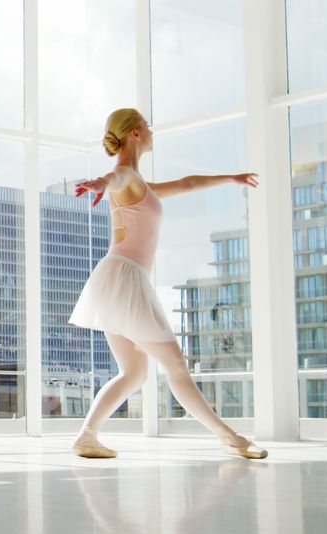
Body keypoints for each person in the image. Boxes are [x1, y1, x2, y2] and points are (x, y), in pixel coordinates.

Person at [69, 108, 267, 460]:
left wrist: (231, 177)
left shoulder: (141, 184)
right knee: (174, 364)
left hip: (118, 279)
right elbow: (112, 178)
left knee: (134, 372)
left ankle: (87, 436)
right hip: (125, 278)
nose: (151, 131)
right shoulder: (125, 174)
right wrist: (98, 184)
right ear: (134, 134)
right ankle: (230, 436)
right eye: (147, 126)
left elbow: (188, 183)